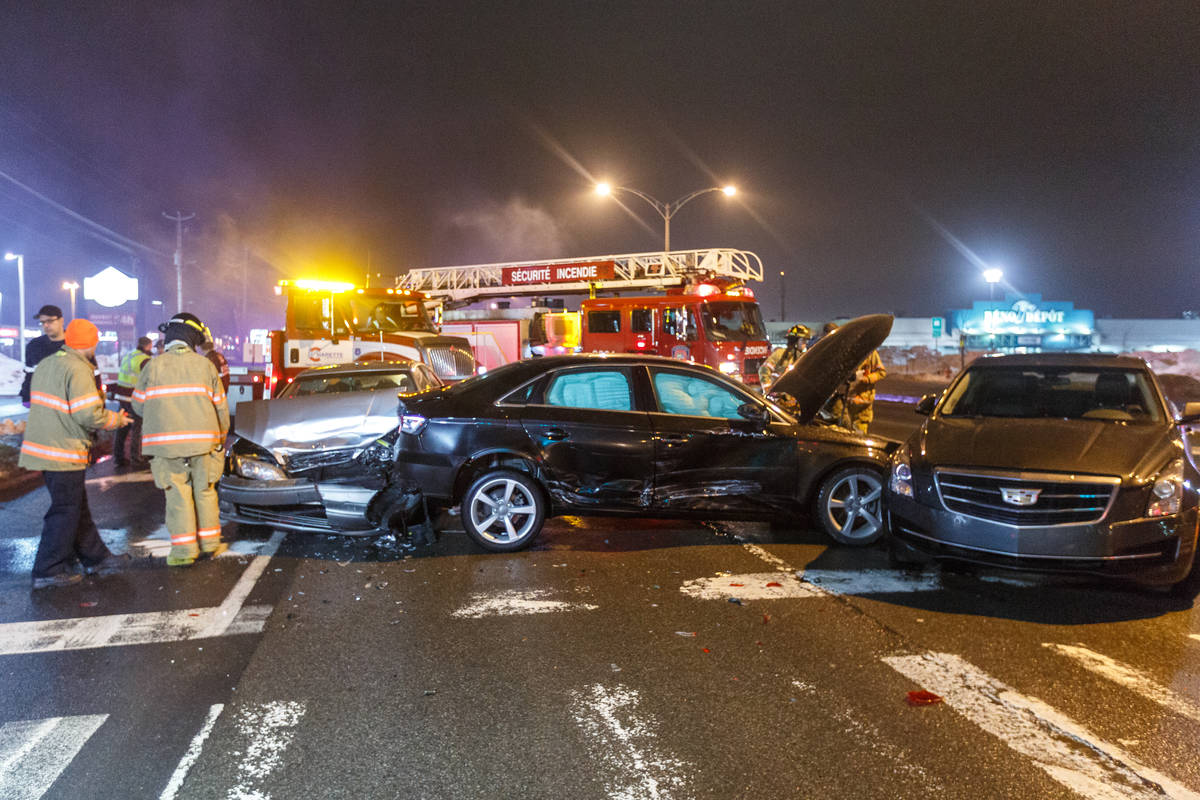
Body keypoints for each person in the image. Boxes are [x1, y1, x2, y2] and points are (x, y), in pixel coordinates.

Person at [18, 319, 131, 589]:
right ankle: (48, 568)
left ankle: (97, 558)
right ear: (91, 343)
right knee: (65, 509)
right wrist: (115, 420)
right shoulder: (79, 369)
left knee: (75, 507)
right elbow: (87, 414)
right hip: (63, 449)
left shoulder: (48, 363)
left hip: (44, 446)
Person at [134, 313, 229, 567]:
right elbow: (221, 408)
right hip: (205, 444)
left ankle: (185, 552)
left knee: (177, 495)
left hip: (167, 446)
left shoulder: (152, 367)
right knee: (205, 492)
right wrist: (219, 440)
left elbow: (138, 406)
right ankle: (210, 544)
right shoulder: (205, 366)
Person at [821, 322, 887, 433]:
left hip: (862, 404)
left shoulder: (870, 353)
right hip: (847, 401)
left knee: (859, 434)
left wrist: (866, 379)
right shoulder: (846, 352)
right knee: (844, 431)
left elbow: (881, 372)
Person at [111, 336, 153, 467]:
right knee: (138, 428)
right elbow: (151, 379)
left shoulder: (129, 356)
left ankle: (118, 457)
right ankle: (137, 458)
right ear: (148, 346)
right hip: (135, 399)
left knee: (122, 427)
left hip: (122, 397)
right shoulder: (145, 360)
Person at [20, 305, 67, 407]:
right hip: (43, 407)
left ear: (61, 321)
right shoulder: (35, 346)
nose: (46, 325)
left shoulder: (75, 343)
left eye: (50, 321)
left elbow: (93, 374)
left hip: (70, 406)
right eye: (42, 322)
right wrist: (26, 397)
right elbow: (29, 375)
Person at [759, 323, 811, 388]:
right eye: (803, 340)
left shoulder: (804, 357)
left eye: (806, 340)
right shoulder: (780, 354)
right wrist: (767, 388)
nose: (805, 343)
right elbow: (763, 369)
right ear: (795, 340)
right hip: (778, 395)